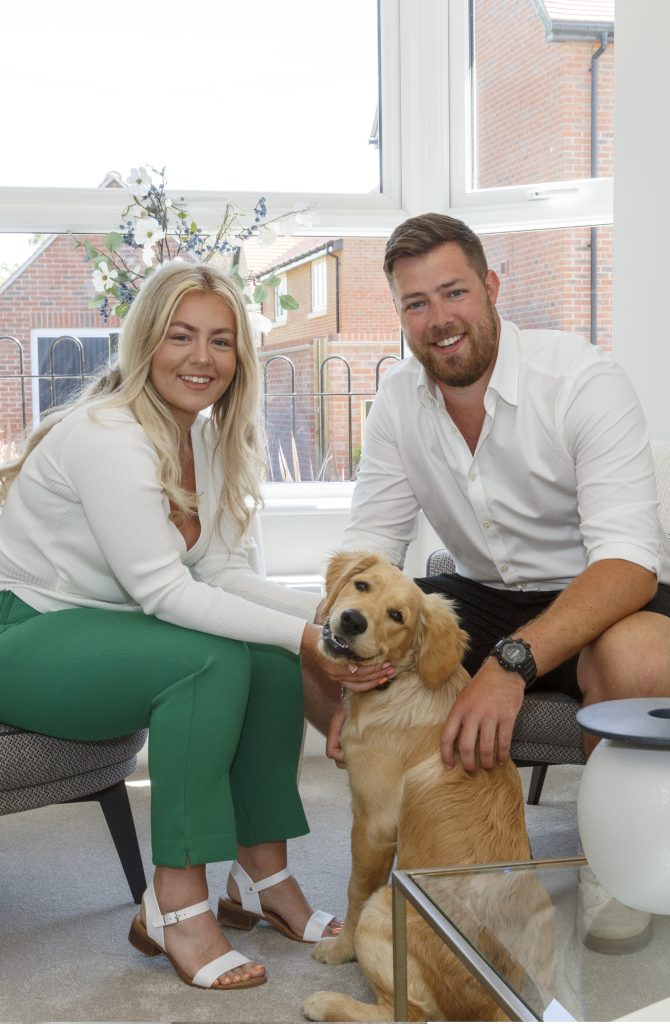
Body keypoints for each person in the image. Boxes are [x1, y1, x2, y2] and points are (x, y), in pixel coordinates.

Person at [0, 262, 390, 992]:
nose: (201, 358)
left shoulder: (203, 440)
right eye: (181, 336)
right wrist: (311, 644)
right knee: (209, 660)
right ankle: (173, 903)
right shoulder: (109, 434)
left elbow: (219, 572)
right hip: (23, 632)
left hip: (107, 630)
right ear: (145, 341)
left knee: (269, 660)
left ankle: (262, 875)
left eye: (220, 340)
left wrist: (317, 626)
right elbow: (163, 590)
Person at [332, 211, 670, 774]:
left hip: (603, 594)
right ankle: (427, 837)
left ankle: (618, 850)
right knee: (320, 631)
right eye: (416, 304)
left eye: (454, 292)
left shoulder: (581, 381)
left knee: (636, 657)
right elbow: (370, 545)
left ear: (490, 289)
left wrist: (511, 663)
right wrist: (341, 663)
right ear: (400, 315)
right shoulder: (395, 402)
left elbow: (629, 563)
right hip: (484, 594)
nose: (439, 320)